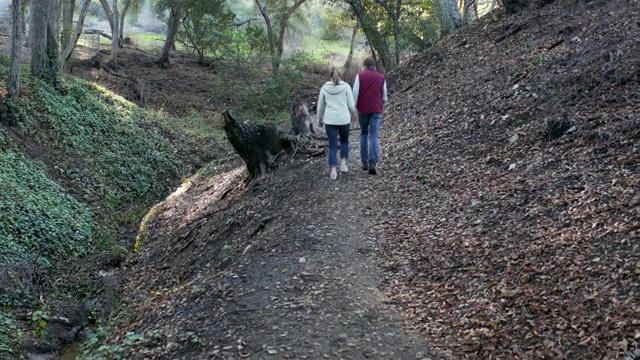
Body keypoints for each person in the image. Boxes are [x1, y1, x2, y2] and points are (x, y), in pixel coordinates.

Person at [317, 68, 357, 180]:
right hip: (344, 119)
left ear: (330, 76)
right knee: (344, 142)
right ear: (340, 75)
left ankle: (333, 171)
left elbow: (320, 107)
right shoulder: (346, 87)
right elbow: (351, 105)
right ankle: (343, 164)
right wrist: (354, 116)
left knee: (332, 145)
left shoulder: (324, 88)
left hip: (330, 121)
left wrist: (319, 120)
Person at [353, 57, 387, 175]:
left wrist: (354, 108)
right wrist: (380, 105)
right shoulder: (381, 78)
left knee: (363, 133)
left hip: (363, 109)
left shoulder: (360, 76)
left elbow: (355, 94)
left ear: (365, 66)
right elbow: (384, 97)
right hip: (376, 109)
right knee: (374, 136)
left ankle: (364, 162)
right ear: (374, 66)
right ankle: (373, 163)